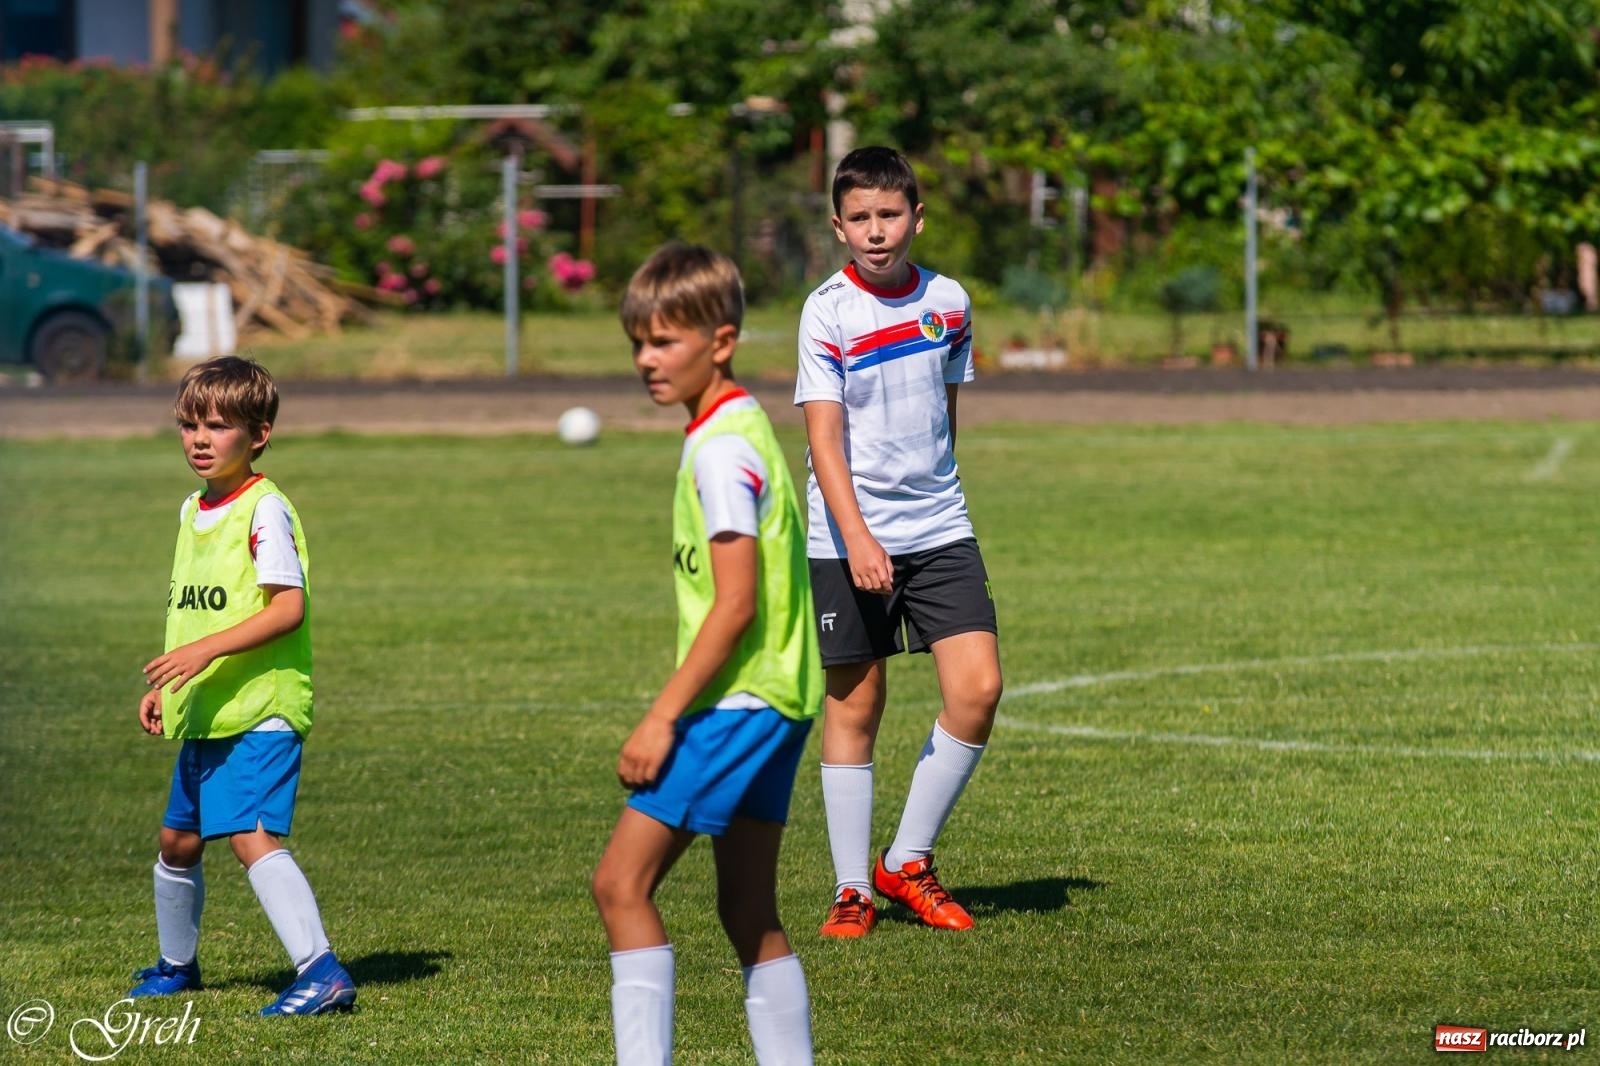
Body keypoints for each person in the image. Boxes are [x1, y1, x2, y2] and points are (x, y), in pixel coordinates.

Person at [592, 243, 820, 1065]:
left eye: (664, 342)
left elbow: (736, 605)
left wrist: (661, 717)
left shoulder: (722, 450)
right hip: (784, 698)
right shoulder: (744, 423)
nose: (646, 361)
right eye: (637, 344)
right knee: (748, 910)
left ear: (720, 341)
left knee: (621, 886)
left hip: (739, 702)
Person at [795, 146, 1004, 938]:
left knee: (977, 689)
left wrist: (934, 498)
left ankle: (906, 861)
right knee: (858, 701)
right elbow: (823, 440)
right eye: (860, 219)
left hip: (940, 526)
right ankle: (852, 888)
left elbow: (946, 411)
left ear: (917, 217)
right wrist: (857, 537)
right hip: (849, 533)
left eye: (889, 215)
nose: (876, 232)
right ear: (838, 225)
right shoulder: (827, 311)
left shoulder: (949, 301)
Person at [129, 356, 355, 1016]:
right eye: (188, 423)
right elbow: (195, 611)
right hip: (212, 707)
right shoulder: (193, 509)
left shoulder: (265, 511)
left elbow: (287, 608)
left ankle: (321, 971)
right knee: (178, 841)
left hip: (263, 706)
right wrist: (170, 684)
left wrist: (201, 652)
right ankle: (176, 967)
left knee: (250, 834)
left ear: (258, 434)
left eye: (218, 425)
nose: (199, 438)